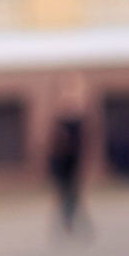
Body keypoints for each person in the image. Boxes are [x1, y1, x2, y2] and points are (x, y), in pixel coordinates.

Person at [46, 84, 92, 238]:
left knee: (73, 193)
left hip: (73, 162)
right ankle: (66, 220)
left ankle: (71, 220)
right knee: (63, 193)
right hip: (61, 163)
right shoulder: (59, 121)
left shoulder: (77, 122)